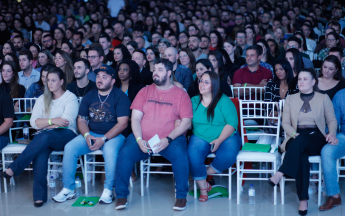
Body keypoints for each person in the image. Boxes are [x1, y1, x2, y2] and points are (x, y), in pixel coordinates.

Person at [114, 58, 193, 211]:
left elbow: (186, 123)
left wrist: (168, 139)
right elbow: (135, 118)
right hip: (143, 137)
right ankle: (121, 196)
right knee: (125, 153)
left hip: (171, 138)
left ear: (169, 73)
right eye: (154, 70)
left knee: (181, 155)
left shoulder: (181, 94)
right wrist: (138, 139)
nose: (155, 73)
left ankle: (181, 197)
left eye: (160, 70)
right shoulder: (144, 91)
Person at [53, 65, 130, 205]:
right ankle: (68, 188)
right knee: (70, 147)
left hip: (114, 136)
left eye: (104, 77)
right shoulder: (90, 95)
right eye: (98, 76)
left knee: (110, 151)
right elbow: (81, 120)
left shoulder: (120, 97)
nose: (99, 80)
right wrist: (87, 135)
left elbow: (122, 124)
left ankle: (108, 190)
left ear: (113, 81)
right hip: (92, 133)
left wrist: (104, 139)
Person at [2, 67, 79, 207]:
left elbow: (66, 121)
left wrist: (44, 125)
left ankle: (14, 167)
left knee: (43, 137)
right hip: (45, 137)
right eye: (48, 80)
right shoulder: (42, 98)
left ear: (61, 81)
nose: (49, 83)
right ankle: (39, 196)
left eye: (53, 80)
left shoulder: (70, 97)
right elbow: (33, 122)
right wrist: (52, 121)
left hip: (67, 135)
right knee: (40, 151)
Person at [268, 68, 338, 216]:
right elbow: (285, 123)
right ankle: (303, 200)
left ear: (313, 82)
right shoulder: (290, 98)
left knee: (302, 142)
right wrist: (294, 133)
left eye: (305, 79)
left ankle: (281, 171)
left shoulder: (323, 98)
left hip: (316, 138)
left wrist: (331, 133)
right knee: (301, 157)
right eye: (299, 79)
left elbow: (331, 120)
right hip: (294, 137)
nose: (301, 82)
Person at [187, 71, 240, 202]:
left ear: (214, 85)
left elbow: (232, 124)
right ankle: (204, 189)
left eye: (206, 82)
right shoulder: (193, 101)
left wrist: (219, 140)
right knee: (192, 155)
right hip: (200, 135)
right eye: (201, 81)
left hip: (226, 135)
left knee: (228, 156)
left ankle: (203, 175)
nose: (202, 84)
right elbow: (188, 123)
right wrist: (181, 123)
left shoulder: (224, 100)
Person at [319, 87, 345, 211]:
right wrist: (332, 134)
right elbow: (334, 121)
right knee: (327, 151)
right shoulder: (340, 95)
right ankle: (335, 196)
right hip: (344, 135)